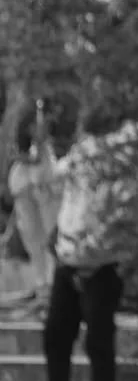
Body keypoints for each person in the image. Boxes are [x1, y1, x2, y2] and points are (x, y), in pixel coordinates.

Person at [34, 112, 138, 381]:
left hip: (101, 268)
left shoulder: (121, 169)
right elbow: (52, 180)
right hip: (69, 262)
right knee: (56, 335)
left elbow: (127, 220)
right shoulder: (80, 160)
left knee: (98, 340)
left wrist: (100, 252)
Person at [5, 101, 62, 307]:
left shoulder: (47, 152)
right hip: (27, 195)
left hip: (45, 195)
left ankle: (52, 285)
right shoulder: (21, 155)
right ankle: (41, 284)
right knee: (32, 237)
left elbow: (47, 170)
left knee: (50, 237)